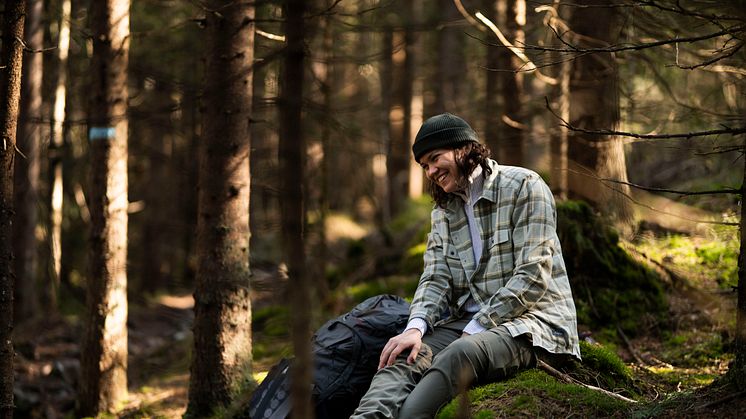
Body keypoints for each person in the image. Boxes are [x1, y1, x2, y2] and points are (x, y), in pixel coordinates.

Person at [351, 113, 581, 418]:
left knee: (457, 356)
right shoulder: (444, 210)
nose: (431, 171)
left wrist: (480, 325)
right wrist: (415, 327)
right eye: (424, 166)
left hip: (534, 323)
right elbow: (435, 277)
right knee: (405, 356)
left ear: (464, 149)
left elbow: (533, 275)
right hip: (469, 324)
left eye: (435, 158)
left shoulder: (525, 185)